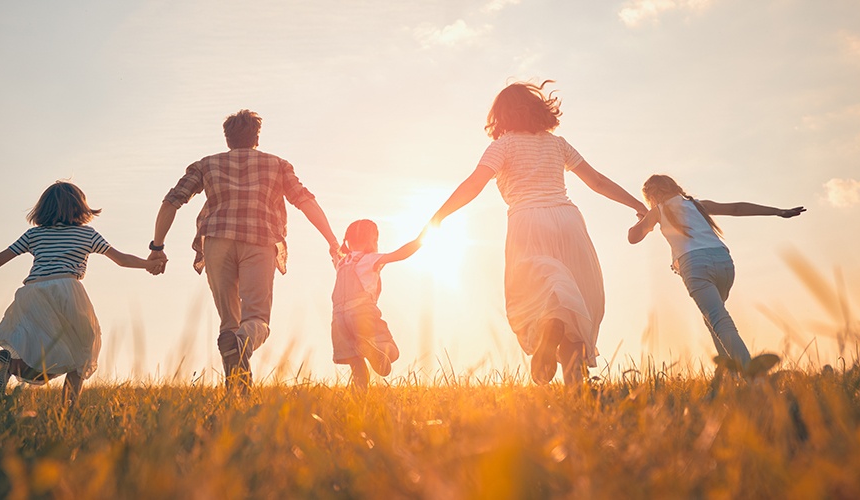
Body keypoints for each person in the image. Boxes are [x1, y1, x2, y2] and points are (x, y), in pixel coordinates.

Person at [427, 81, 648, 386]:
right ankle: (576, 389)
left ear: (501, 115)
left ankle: (550, 327)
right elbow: (596, 181)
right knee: (576, 300)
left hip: (527, 221)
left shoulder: (502, 146)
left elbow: (473, 185)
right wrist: (638, 205)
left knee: (539, 293)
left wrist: (438, 217)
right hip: (569, 221)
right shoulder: (557, 144)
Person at [148, 109, 339, 392]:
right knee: (256, 319)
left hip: (217, 241)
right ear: (256, 138)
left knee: (230, 321)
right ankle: (240, 357)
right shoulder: (277, 165)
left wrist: (157, 247)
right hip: (259, 239)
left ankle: (238, 391)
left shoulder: (206, 165)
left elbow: (171, 202)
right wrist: (332, 240)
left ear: (227, 139)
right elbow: (305, 201)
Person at [0, 181, 157, 409]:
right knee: (82, 351)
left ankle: (7, 366)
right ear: (80, 207)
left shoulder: (35, 235)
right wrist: (149, 264)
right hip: (67, 290)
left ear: (43, 208)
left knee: (34, 348)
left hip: (32, 292)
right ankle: (68, 411)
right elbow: (122, 260)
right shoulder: (87, 235)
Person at [627, 174, 805, 370]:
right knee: (713, 320)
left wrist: (642, 219)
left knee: (719, 321)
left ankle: (753, 378)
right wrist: (778, 211)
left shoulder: (658, 211)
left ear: (651, 196)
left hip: (695, 265)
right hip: (724, 262)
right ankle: (730, 376)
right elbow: (737, 208)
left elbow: (633, 237)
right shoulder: (697, 205)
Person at [330, 220, 423, 388]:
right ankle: (373, 350)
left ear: (348, 242)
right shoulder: (370, 259)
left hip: (339, 319)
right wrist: (421, 239)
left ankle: (361, 396)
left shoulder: (342, 262)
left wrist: (334, 245)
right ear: (372, 241)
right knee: (391, 351)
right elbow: (401, 254)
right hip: (362, 312)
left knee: (355, 361)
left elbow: (334, 254)